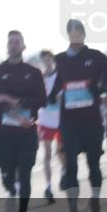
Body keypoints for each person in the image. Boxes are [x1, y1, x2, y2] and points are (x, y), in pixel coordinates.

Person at [49, 19, 107, 212]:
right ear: (68, 35)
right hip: (69, 122)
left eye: (79, 31)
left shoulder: (96, 57)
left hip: (91, 121)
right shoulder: (60, 59)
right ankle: (72, 211)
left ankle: (95, 204)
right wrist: (50, 98)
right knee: (70, 166)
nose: (76, 35)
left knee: (94, 165)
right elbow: (57, 84)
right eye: (72, 31)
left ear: (84, 34)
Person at [0, 31, 46, 212]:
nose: (13, 45)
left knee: (26, 174)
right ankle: (10, 190)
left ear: (23, 46)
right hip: (5, 132)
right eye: (10, 42)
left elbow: (41, 99)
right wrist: (16, 112)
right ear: (7, 46)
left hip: (27, 130)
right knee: (6, 173)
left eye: (17, 42)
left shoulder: (34, 72)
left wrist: (16, 103)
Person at [37, 50, 62, 204]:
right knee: (47, 154)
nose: (47, 63)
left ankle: (65, 173)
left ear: (53, 60)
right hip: (45, 120)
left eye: (49, 60)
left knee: (61, 153)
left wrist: (58, 99)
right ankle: (48, 187)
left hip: (60, 120)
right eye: (44, 60)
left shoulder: (59, 76)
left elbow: (63, 94)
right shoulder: (39, 78)